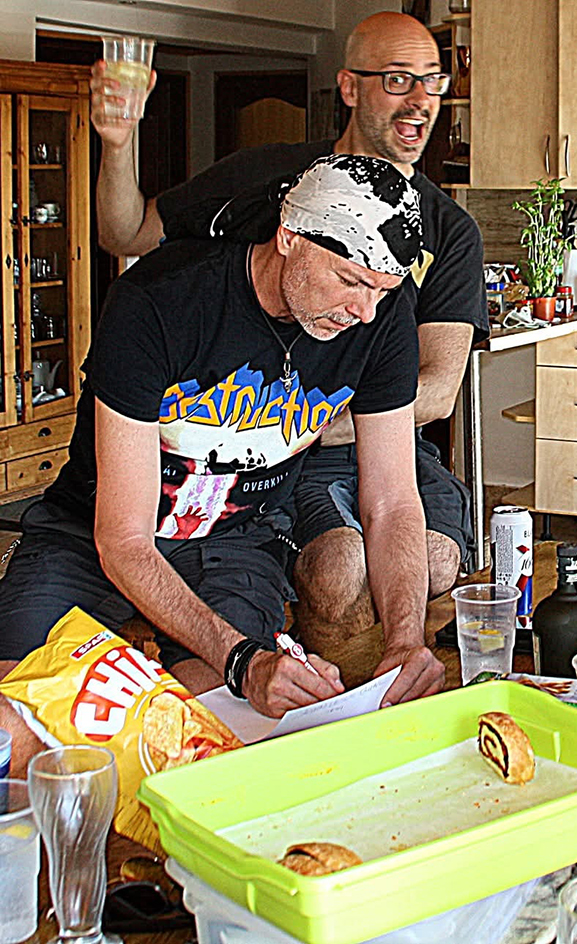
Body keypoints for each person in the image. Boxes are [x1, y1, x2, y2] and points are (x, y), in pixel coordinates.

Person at [0, 155, 446, 775]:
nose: (365, 312)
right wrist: (244, 660)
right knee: (13, 715)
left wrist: (406, 637)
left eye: (383, 290)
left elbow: (392, 502)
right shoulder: (160, 302)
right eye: (350, 281)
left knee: (213, 726)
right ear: (288, 237)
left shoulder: (380, 319)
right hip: (89, 533)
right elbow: (123, 540)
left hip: (233, 539)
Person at [90, 11, 486, 645]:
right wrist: (117, 144)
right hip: (260, 446)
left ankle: (360, 682)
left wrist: (289, 424)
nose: (421, 101)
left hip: (360, 433)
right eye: (398, 79)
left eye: (433, 81)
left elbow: (436, 394)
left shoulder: (450, 231)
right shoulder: (266, 180)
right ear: (349, 86)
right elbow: (126, 233)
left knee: (435, 562)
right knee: (337, 570)